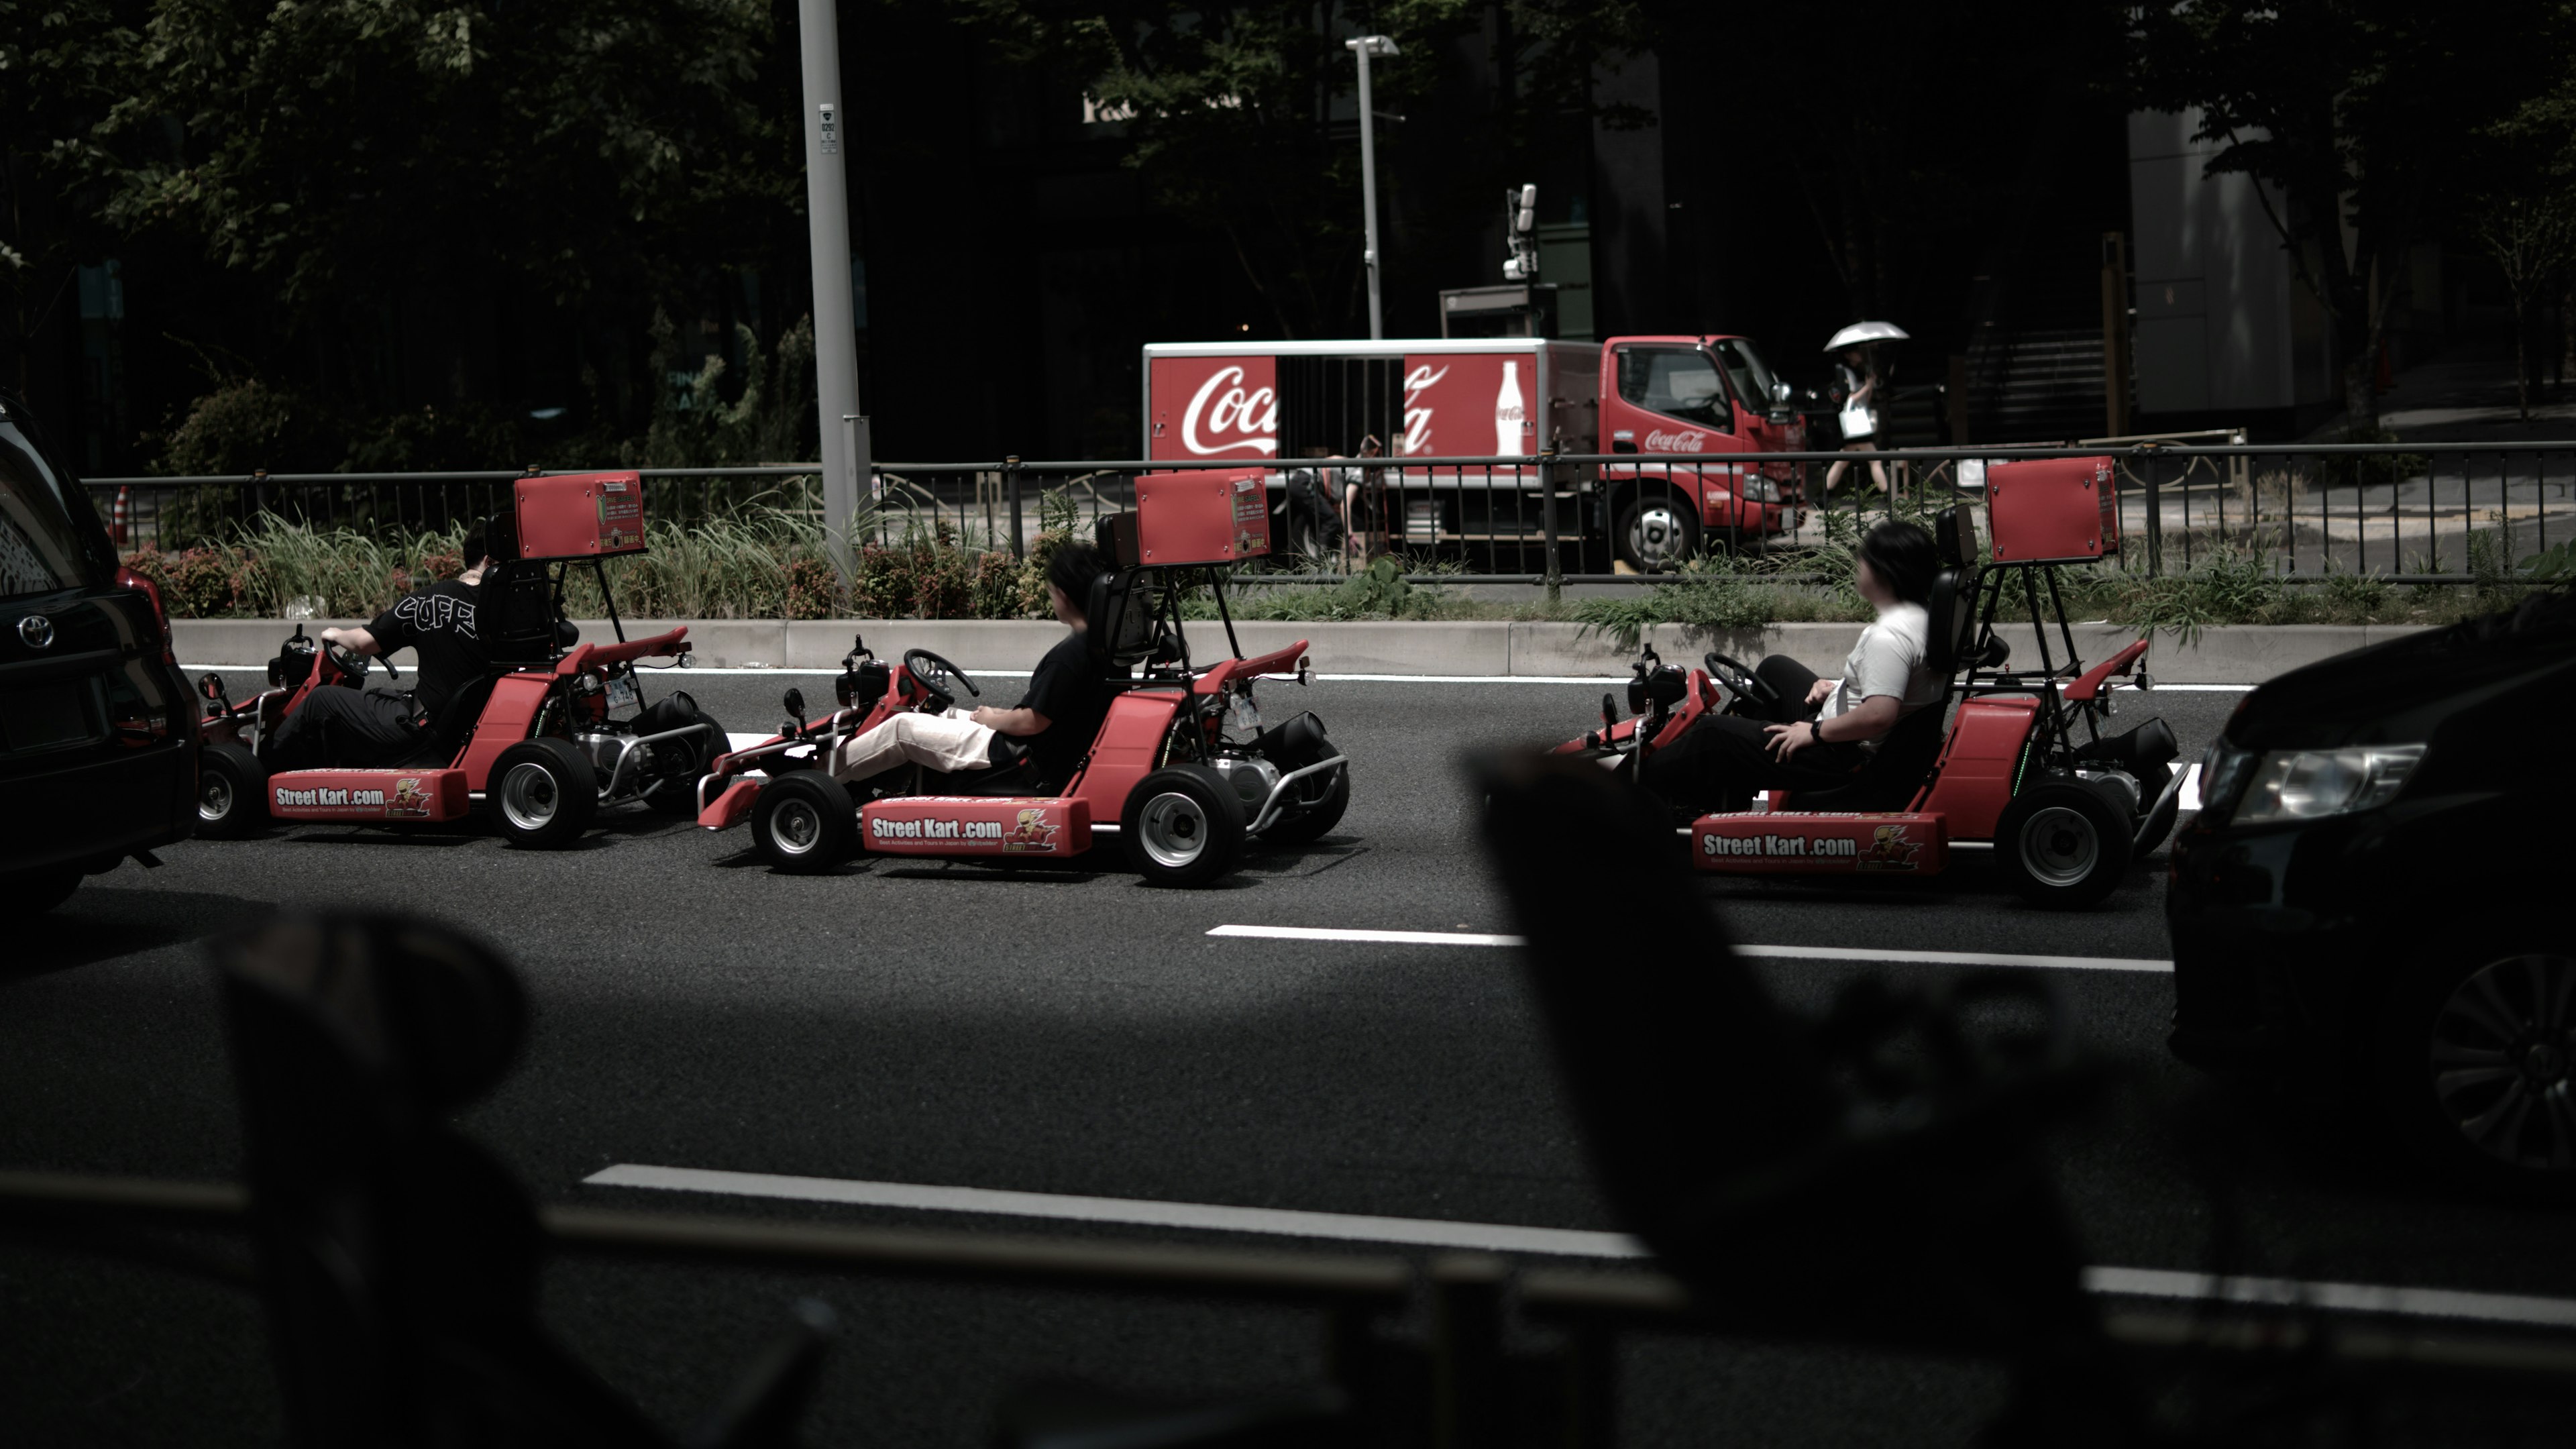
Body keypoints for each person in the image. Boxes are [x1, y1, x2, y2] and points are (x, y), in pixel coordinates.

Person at [1638, 520, 1943, 817]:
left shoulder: (1889, 636)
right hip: (1850, 738)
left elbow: (1879, 714)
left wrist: (1815, 732)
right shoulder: (1922, 617)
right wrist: (1836, 691)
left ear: (1884, 573)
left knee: (1712, 732)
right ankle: (1736, 779)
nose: (1858, 564)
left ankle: (1633, 789)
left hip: (1842, 756)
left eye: (1864, 559)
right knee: (1775, 669)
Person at [824, 542, 1120, 794]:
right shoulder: (1100, 646)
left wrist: (992, 719)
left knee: (902, 728)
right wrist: (1000, 715)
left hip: (1016, 755)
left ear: (1064, 596)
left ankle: (817, 779)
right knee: (940, 712)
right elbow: (1051, 713)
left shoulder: (1069, 657)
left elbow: (1033, 722)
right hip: (1042, 750)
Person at [262, 528, 499, 772]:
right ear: (489, 562)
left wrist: (336, 634)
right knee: (380, 693)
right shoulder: (514, 609)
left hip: (427, 726)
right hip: (474, 722)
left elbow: (365, 642)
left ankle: (258, 774)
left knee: (320, 701)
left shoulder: (431, 598)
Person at [1822, 343, 1890, 500]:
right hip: (1856, 425)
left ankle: (1826, 492)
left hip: (1857, 424)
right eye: (1854, 351)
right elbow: (1851, 398)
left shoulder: (1857, 372)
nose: (1859, 354)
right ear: (1847, 355)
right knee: (1874, 461)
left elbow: (1866, 400)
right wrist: (1867, 387)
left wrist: (1870, 385)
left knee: (1843, 460)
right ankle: (1887, 492)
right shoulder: (1845, 372)